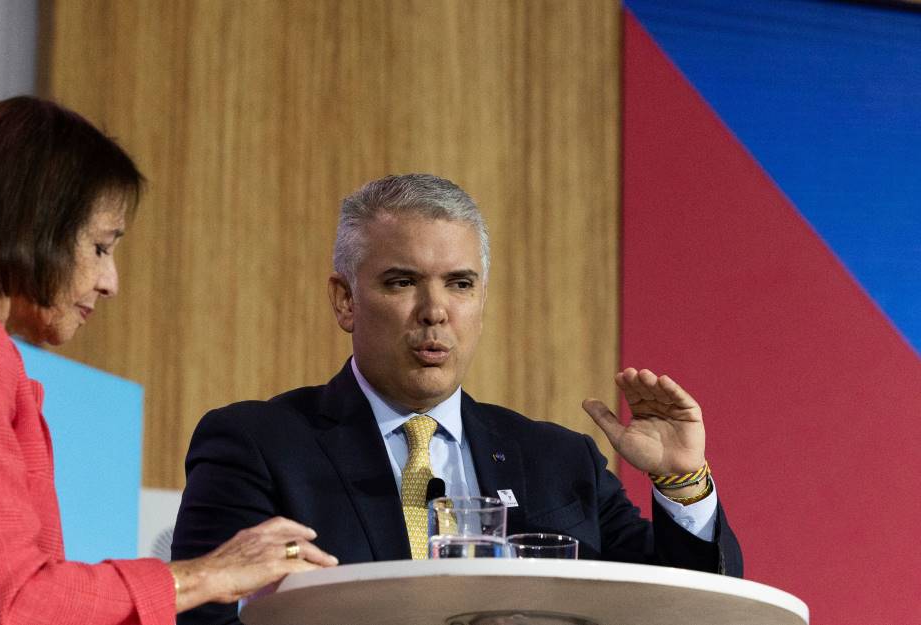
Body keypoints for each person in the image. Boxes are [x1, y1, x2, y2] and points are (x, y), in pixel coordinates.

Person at [0, 96, 336, 625]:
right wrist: (205, 576)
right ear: (33, 224)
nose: (110, 282)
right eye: (101, 247)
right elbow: (14, 603)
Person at [172, 173, 742, 625]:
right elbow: (201, 620)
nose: (435, 310)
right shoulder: (259, 444)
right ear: (345, 300)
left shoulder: (560, 462)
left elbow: (687, 609)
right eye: (401, 282)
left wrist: (681, 482)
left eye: (460, 284)